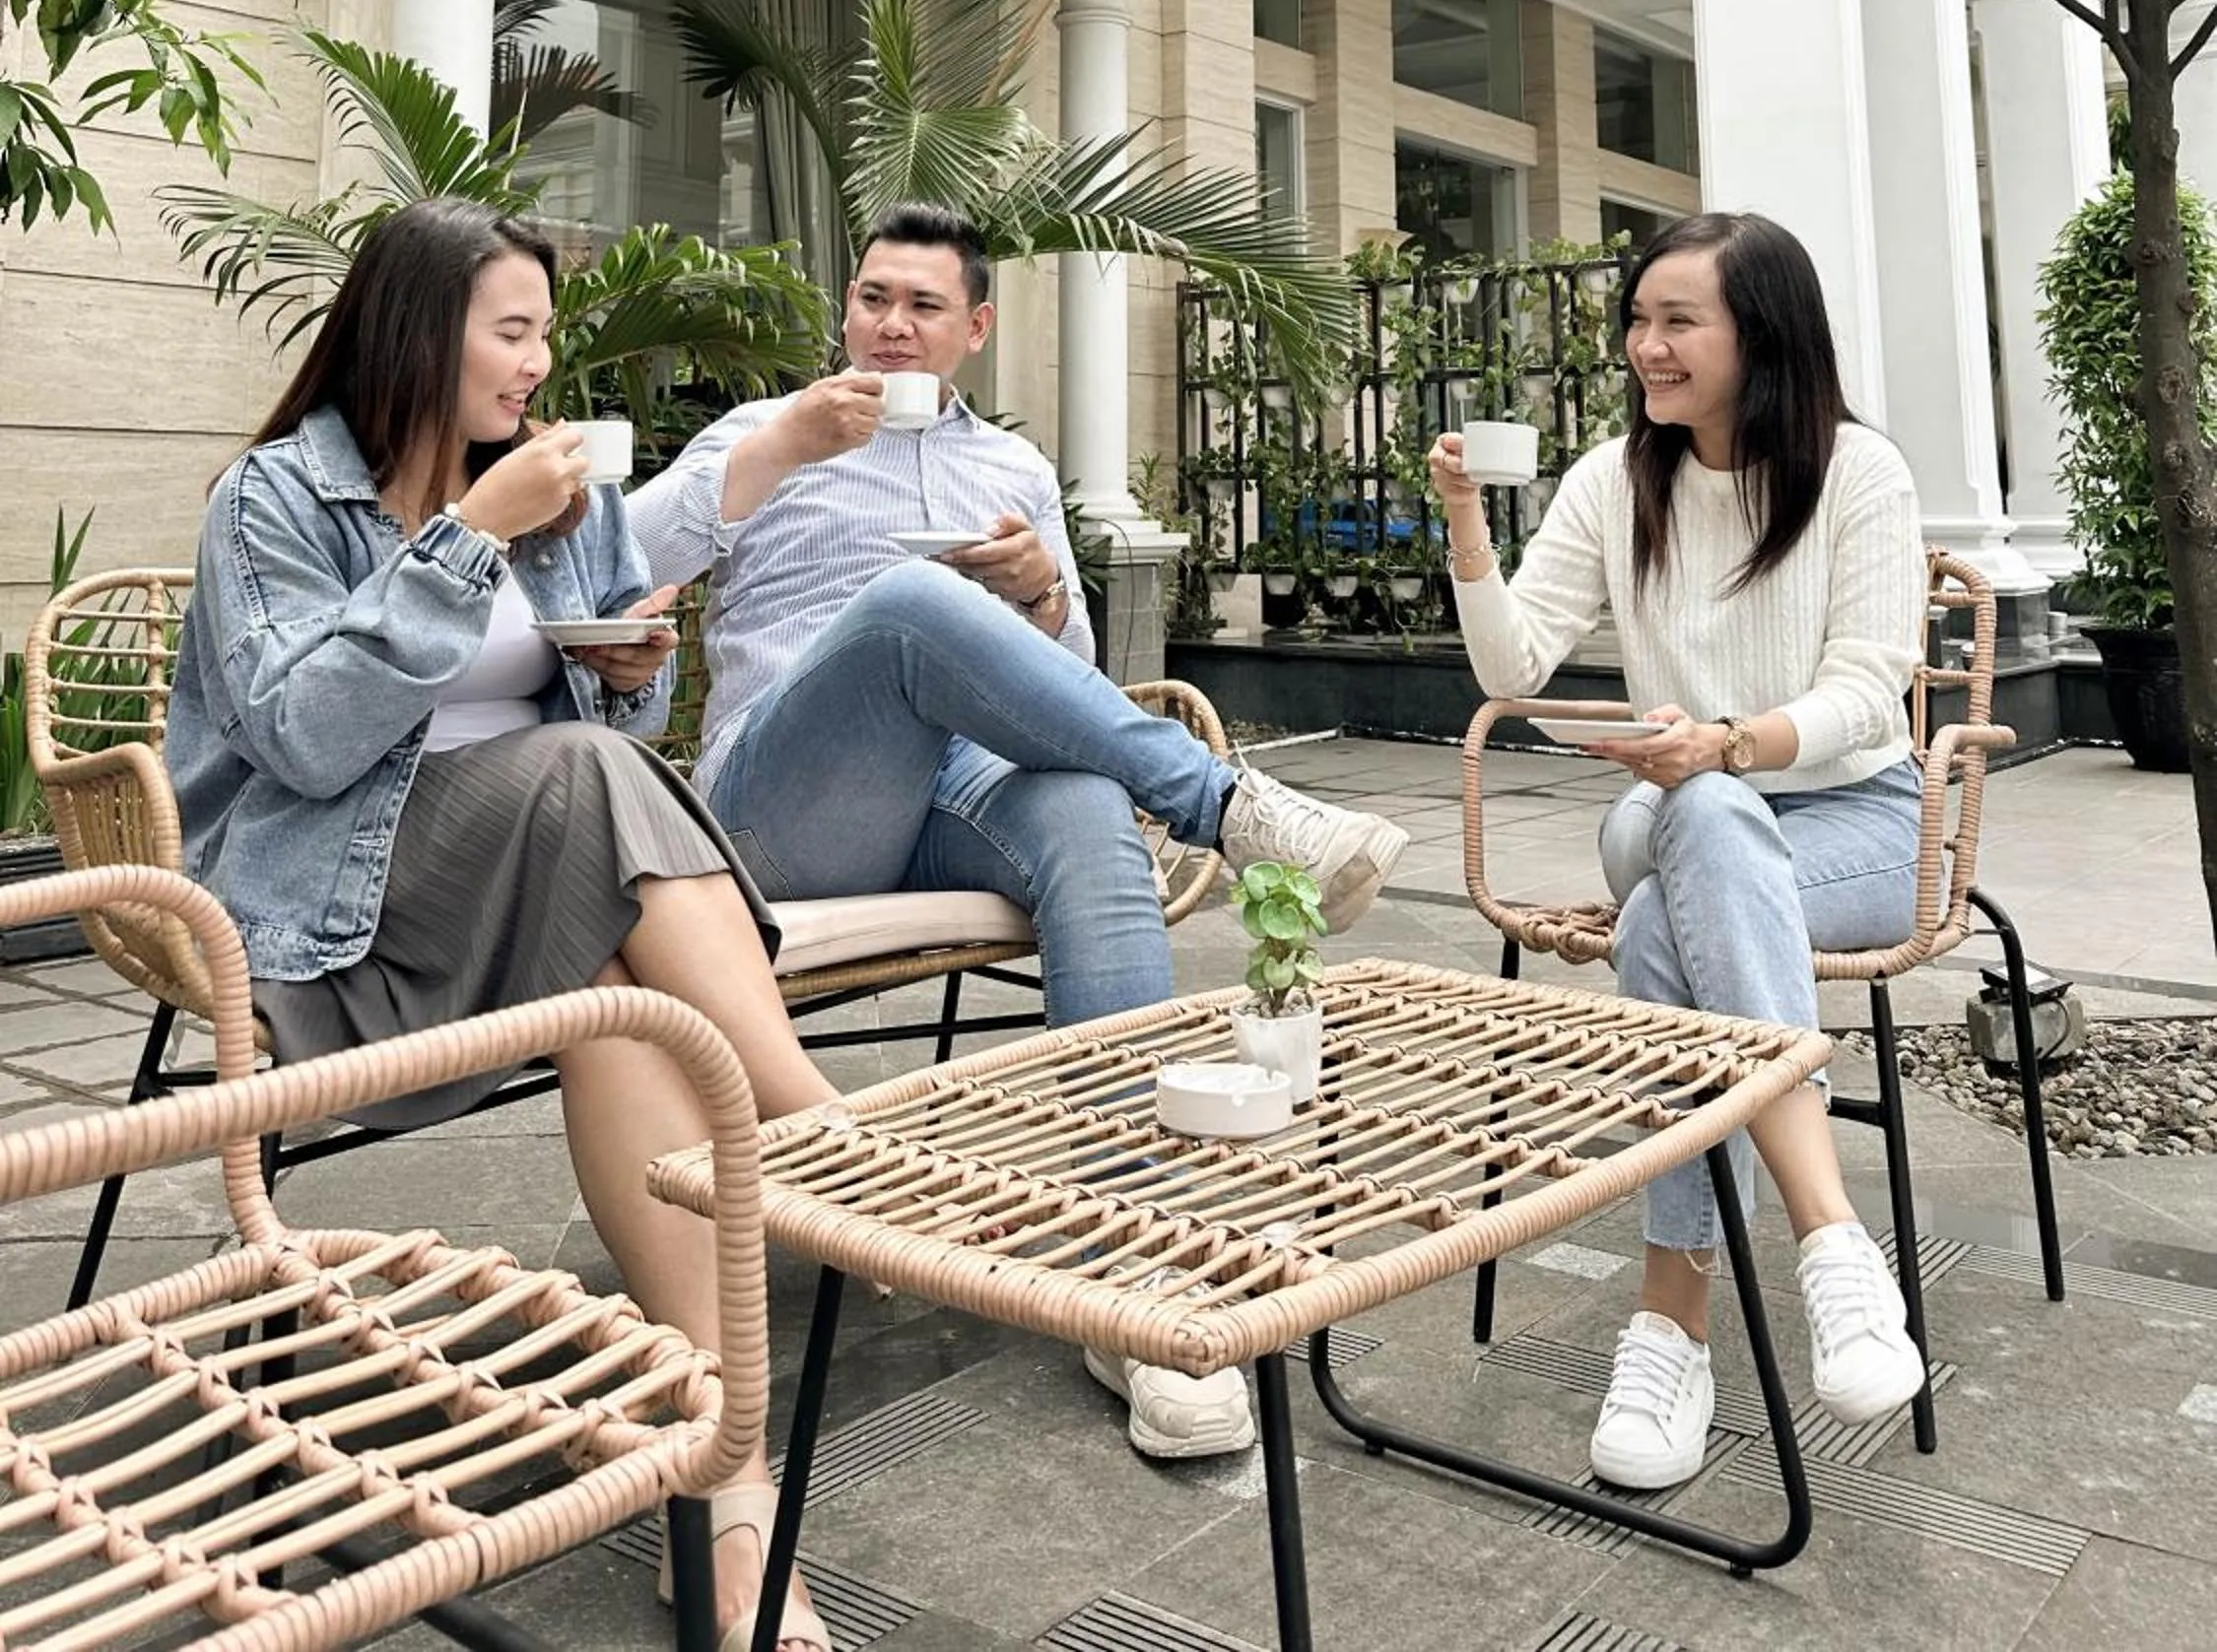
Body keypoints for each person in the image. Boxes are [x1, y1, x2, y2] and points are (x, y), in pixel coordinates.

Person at [630, 198, 1409, 1462]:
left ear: (974, 329)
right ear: (848, 307)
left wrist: (1044, 591)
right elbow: (623, 558)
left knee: (1089, 798)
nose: (891, 324)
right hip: (786, 813)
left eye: (923, 306)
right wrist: (779, 447)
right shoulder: (755, 435)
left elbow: (1074, 681)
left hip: (960, 799)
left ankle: (1137, 1281)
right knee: (904, 604)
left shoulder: (1015, 471)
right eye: (874, 297)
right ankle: (1227, 803)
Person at [167, 197, 842, 1652]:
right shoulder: (276, 501)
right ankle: (820, 1137)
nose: (541, 362)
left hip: (515, 884)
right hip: (315, 915)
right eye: (514, 331)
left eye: (547, 332)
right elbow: (297, 742)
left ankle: (723, 1488)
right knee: (592, 784)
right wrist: (470, 539)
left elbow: (607, 708)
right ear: (421, 331)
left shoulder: (552, 499)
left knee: (619, 992)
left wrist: (630, 660)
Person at [1428, 208, 1929, 1490]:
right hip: (1668, 813)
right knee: (1695, 826)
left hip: (1852, 822)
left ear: (1760, 337)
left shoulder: (1857, 476)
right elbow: (1514, 671)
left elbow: (1872, 694)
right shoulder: (1615, 480)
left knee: (1667, 923)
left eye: (1675, 321)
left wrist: (1725, 744)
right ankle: (1831, 1240)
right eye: (1636, 321)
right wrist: (1467, 524)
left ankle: (1672, 1323)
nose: (1644, 349)